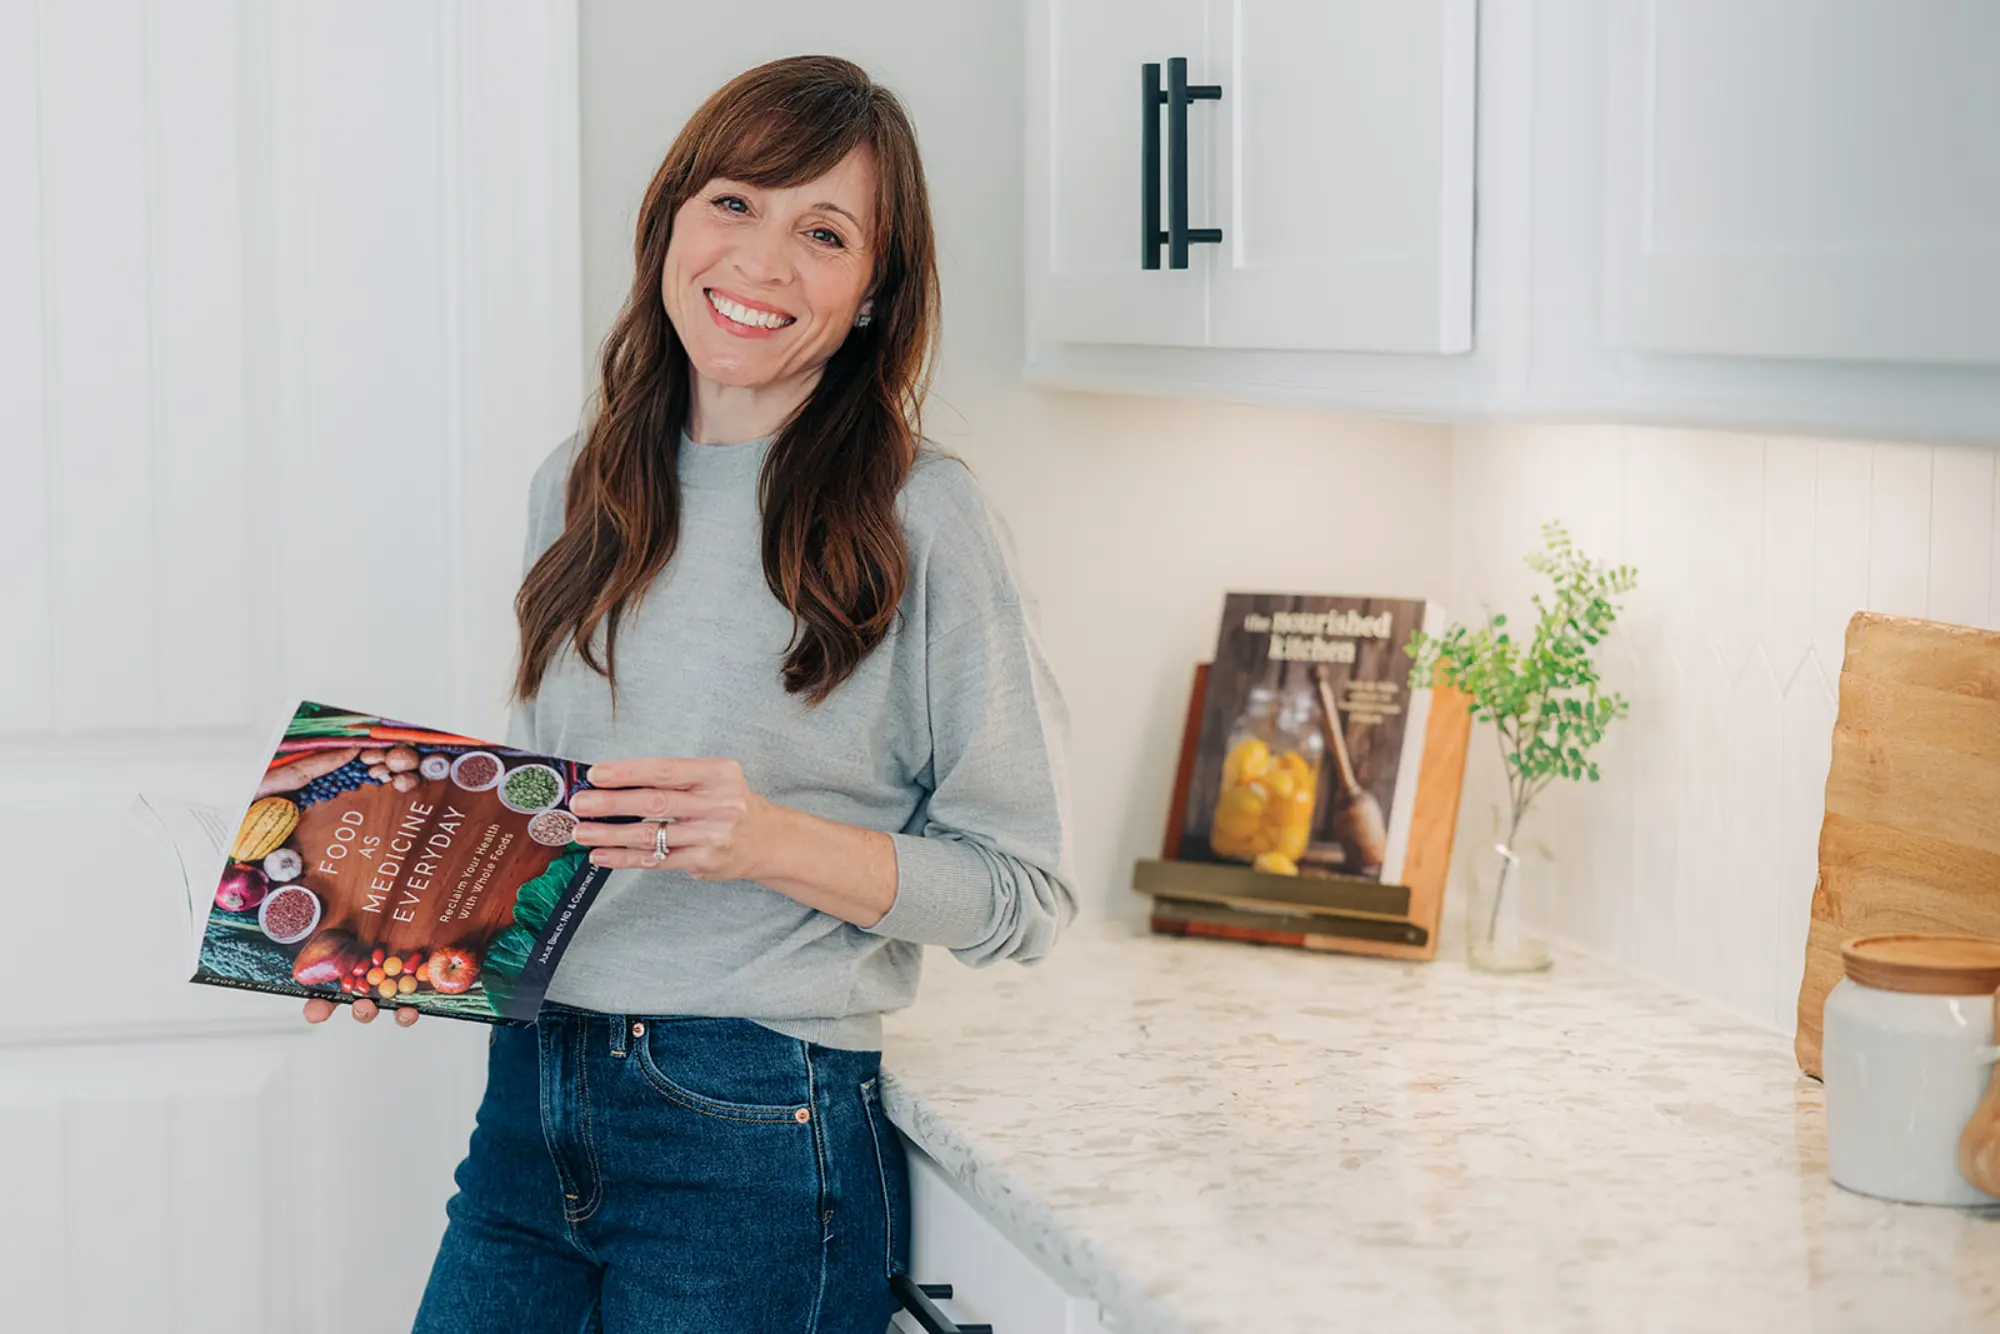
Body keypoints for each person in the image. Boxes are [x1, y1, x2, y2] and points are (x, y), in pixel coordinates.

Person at [300, 54, 1078, 1332]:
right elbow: (551, 827)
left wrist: (767, 839)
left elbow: (1023, 895)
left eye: (822, 233)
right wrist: (389, 932)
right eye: (732, 203)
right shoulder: (579, 483)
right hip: (530, 1101)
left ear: (876, 291)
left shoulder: (919, 516)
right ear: (670, 218)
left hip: (756, 1124)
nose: (762, 263)